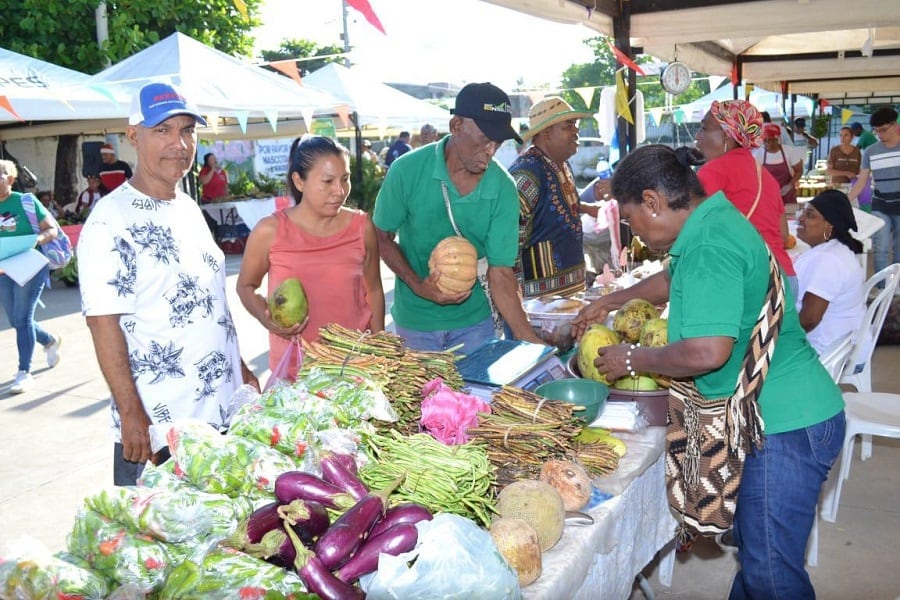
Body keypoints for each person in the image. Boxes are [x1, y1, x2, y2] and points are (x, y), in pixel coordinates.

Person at [572, 144, 845, 600]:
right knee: (760, 563)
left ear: (654, 201)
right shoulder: (711, 219)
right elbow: (671, 278)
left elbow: (707, 352)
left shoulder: (708, 243)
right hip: (785, 417)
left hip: (784, 427)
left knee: (772, 576)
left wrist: (632, 358)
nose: (632, 230)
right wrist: (610, 300)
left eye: (630, 217)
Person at [78, 82, 259, 485]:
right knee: (160, 542)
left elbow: (208, 302)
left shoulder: (188, 208)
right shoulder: (111, 220)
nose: (179, 143)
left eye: (187, 131)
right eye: (163, 130)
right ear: (132, 135)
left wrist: (240, 368)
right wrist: (131, 413)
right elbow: (103, 322)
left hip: (221, 415)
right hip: (160, 431)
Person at [373, 81, 544, 352]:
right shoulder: (406, 170)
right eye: (485, 139)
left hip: (475, 324)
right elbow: (380, 237)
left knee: (476, 395)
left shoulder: (502, 187)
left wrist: (535, 346)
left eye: (498, 142)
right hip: (415, 322)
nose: (491, 150)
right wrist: (418, 286)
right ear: (456, 126)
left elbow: (501, 274)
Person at [237, 135, 385, 374]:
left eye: (344, 179)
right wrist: (267, 320)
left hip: (355, 368)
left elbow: (374, 290)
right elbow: (245, 286)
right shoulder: (270, 230)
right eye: (328, 181)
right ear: (299, 181)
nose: (339, 190)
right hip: (295, 370)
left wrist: (379, 347)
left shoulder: (361, 226)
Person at [694, 100, 798, 296]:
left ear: (726, 135)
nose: (697, 137)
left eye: (703, 128)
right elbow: (783, 235)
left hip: (751, 281)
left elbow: (689, 230)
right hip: (785, 277)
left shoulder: (714, 171)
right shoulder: (764, 175)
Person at [509, 97, 594, 298]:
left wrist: (589, 208)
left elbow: (554, 210)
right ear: (546, 133)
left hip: (567, 301)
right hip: (538, 308)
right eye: (568, 125)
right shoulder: (526, 174)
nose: (576, 130)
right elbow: (508, 240)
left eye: (575, 124)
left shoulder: (562, 165)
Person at [0, 159, 63, 394]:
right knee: (16, 319)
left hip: (30, 266)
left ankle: (24, 372)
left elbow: (51, 229)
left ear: (11, 179)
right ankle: (49, 340)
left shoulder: (25, 201)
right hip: (3, 269)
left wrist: (36, 240)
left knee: (23, 318)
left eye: (1, 174)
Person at [794, 189, 865, 356]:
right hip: (838, 343)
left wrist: (773, 338)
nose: (800, 219)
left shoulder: (828, 261)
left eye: (810, 215)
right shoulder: (833, 251)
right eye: (803, 212)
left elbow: (809, 319)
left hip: (825, 350)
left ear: (829, 226)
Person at [848, 106, 900, 275]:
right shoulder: (870, 152)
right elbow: (861, 181)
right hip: (880, 204)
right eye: (876, 131)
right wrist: (845, 200)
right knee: (881, 248)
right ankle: (882, 288)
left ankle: (897, 288)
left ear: (894, 125)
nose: (880, 135)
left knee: (899, 250)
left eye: (883, 130)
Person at [752, 123, 805, 205]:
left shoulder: (789, 151)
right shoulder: (758, 154)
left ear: (778, 139)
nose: (768, 143)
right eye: (765, 140)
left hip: (787, 195)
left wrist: (790, 185)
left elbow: (799, 171)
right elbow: (753, 176)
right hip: (767, 197)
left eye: (771, 140)